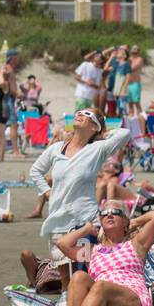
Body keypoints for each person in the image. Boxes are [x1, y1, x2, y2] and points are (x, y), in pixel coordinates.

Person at [41, 199, 154, 306]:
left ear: (125, 221)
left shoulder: (137, 244)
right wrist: (86, 229)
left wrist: (134, 222)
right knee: (79, 276)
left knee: (101, 285)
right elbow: (62, 244)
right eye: (104, 213)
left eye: (116, 212)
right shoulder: (93, 250)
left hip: (131, 298)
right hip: (98, 300)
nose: (109, 215)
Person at [29, 107, 131, 291]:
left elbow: (125, 133)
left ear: (94, 127)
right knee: (66, 279)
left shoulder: (97, 149)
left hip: (87, 221)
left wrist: (102, 134)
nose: (80, 115)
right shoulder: (56, 149)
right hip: (58, 222)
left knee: (84, 274)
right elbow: (35, 170)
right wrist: (46, 191)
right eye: (80, 112)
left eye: (88, 115)